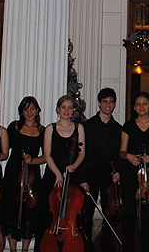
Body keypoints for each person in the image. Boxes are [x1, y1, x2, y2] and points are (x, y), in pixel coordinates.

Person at [119, 92, 149, 252]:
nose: (141, 107)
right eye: (138, 104)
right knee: (129, 214)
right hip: (130, 173)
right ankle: (128, 248)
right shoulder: (128, 126)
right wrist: (129, 156)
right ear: (133, 107)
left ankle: (146, 248)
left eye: (145, 103)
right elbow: (122, 152)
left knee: (147, 216)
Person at [40, 95, 88, 250]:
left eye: (69, 107)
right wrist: (58, 175)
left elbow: (81, 153)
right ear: (57, 109)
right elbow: (47, 154)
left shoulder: (79, 128)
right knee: (48, 214)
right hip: (53, 174)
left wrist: (74, 166)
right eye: (63, 107)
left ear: (73, 110)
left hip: (72, 173)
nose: (66, 111)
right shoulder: (50, 128)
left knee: (73, 213)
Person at [0, 97, 46, 252]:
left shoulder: (42, 131)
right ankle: (13, 250)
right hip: (13, 172)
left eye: (32, 108)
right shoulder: (13, 127)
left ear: (38, 110)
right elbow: (5, 150)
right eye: (25, 109)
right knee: (11, 210)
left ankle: (25, 250)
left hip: (32, 175)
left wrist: (32, 160)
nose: (29, 112)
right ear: (21, 111)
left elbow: (46, 156)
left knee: (29, 213)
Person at [81, 88, 123, 252]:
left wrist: (118, 171)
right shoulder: (87, 126)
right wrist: (83, 178)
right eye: (104, 101)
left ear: (114, 104)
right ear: (99, 103)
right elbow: (82, 154)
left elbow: (120, 154)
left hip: (109, 173)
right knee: (87, 212)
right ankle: (87, 245)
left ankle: (107, 245)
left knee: (110, 212)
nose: (108, 105)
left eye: (111, 101)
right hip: (91, 172)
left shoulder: (118, 129)